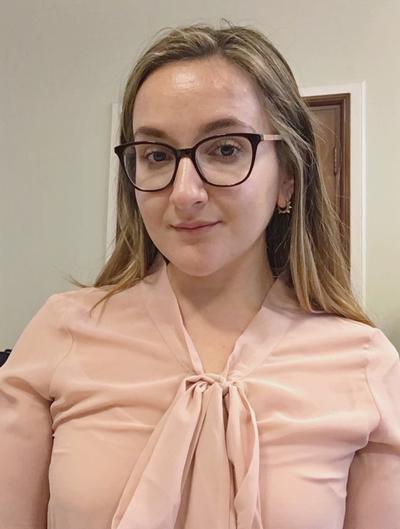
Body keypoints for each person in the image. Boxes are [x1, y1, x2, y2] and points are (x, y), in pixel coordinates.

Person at [0, 20, 399, 529]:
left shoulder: (366, 365)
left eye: (226, 148)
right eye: (157, 155)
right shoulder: (59, 335)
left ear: (288, 177)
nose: (184, 192)